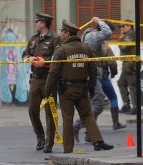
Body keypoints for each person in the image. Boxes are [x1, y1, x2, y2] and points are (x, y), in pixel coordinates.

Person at [44, 19, 114, 153]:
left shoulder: (61, 50)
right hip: (83, 89)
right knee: (87, 115)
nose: (61, 35)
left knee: (67, 118)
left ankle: (68, 149)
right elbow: (93, 69)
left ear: (67, 33)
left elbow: (53, 73)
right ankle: (98, 142)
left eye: (62, 32)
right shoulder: (86, 48)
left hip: (66, 91)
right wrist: (92, 86)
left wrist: (47, 92)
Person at [22, 12, 61, 153]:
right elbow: (25, 54)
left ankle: (49, 144)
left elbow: (58, 56)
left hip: (49, 79)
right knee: (32, 110)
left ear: (43, 23)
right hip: (36, 79)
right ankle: (40, 138)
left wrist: (45, 61)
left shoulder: (55, 38)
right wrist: (30, 59)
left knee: (50, 112)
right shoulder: (34, 38)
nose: (35, 24)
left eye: (37, 22)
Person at [73, 17, 113, 142]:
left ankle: (89, 134)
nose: (110, 36)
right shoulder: (93, 36)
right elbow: (107, 32)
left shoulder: (94, 37)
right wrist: (100, 21)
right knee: (99, 104)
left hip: (94, 74)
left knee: (92, 104)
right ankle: (77, 125)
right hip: (91, 75)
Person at [101, 42, 126, 130]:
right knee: (113, 98)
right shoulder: (105, 46)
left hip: (89, 78)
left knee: (93, 102)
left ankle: (90, 128)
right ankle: (115, 123)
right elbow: (112, 62)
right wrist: (113, 73)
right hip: (103, 77)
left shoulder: (86, 44)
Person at [117, 20, 137, 115]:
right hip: (126, 64)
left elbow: (125, 47)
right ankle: (126, 104)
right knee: (121, 83)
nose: (122, 28)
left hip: (130, 64)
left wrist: (120, 40)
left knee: (132, 86)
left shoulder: (132, 34)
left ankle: (135, 108)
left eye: (123, 26)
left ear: (129, 26)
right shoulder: (128, 35)